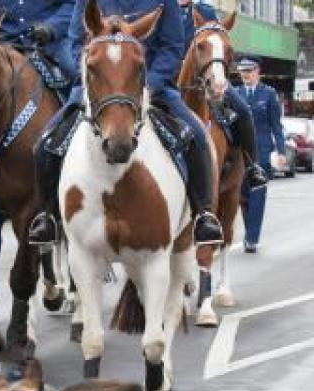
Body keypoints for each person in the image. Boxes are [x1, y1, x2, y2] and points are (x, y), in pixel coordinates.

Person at [28, 0, 224, 246]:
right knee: (46, 142)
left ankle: (204, 214)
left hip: (150, 85)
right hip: (98, 88)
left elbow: (172, 48)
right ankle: (47, 217)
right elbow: (74, 44)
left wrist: (144, 85)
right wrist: (94, 75)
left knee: (196, 135)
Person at [179, 0, 268, 190]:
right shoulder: (163, 9)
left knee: (243, 109)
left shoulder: (205, 10)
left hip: (208, 73)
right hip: (173, 74)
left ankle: (253, 166)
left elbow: (217, 40)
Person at [236, 56, 286, 253]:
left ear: (258, 72)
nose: (245, 75)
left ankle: (251, 238)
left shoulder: (269, 94)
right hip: (240, 155)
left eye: (249, 71)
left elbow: (276, 126)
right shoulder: (235, 93)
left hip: (261, 153)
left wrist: (281, 151)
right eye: (242, 71)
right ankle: (250, 232)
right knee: (243, 197)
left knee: (257, 195)